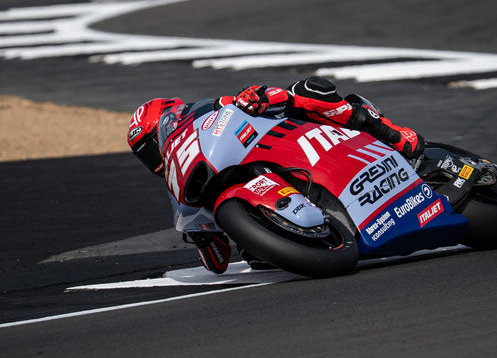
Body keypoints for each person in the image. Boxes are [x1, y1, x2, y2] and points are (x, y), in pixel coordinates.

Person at [127, 76, 424, 273]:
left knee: (309, 89)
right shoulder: (177, 186)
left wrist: (263, 97)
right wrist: (202, 236)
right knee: (256, 260)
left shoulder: (206, 113)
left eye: (150, 146)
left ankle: (393, 134)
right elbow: (217, 264)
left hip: (289, 136)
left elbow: (249, 100)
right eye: (144, 154)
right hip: (293, 248)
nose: (152, 158)